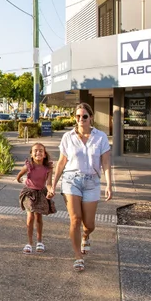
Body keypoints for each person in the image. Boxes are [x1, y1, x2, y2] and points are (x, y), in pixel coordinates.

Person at [50, 102, 112, 272]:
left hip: (92, 182)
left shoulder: (101, 137)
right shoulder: (67, 137)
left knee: (89, 224)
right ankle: (78, 256)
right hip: (71, 180)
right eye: (78, 116)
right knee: (75, 219)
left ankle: (86, 235)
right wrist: (53, 184)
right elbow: (62, 162)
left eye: (84, 116)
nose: (81, 119)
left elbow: (106, 162)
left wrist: (109, 184)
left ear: (91, 117)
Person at [16, 143, 56, 254]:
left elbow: (48, 183)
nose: (38, 152)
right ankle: (29, 243)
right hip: (29, 193)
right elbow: (19, 175)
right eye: (35, 151)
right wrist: (20, 179)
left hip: (40, 193)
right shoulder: (29, 165)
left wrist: (50, 190)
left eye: (40, 151)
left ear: (44, 154)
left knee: (38, 217)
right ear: (31, 154)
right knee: (30, 217)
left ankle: (39, 242)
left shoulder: (48, 168)